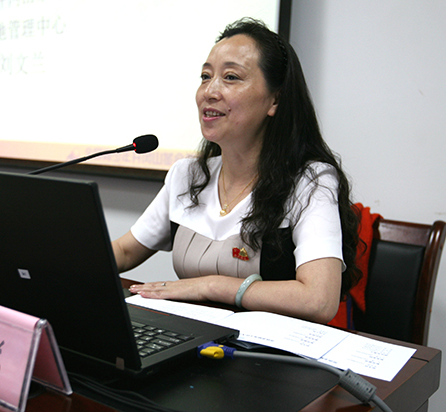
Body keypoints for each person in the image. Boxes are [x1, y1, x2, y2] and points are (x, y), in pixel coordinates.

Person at [112, 18, 360, 324]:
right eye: (205, 76)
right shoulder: (187, 175)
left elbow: (318, 300)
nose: (209, 91)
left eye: (230, 77)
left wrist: (211, 286)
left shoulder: (310, 182)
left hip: (267, 349)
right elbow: (124, 251)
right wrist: (62, 259)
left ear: (275, 100)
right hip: (197, 339)